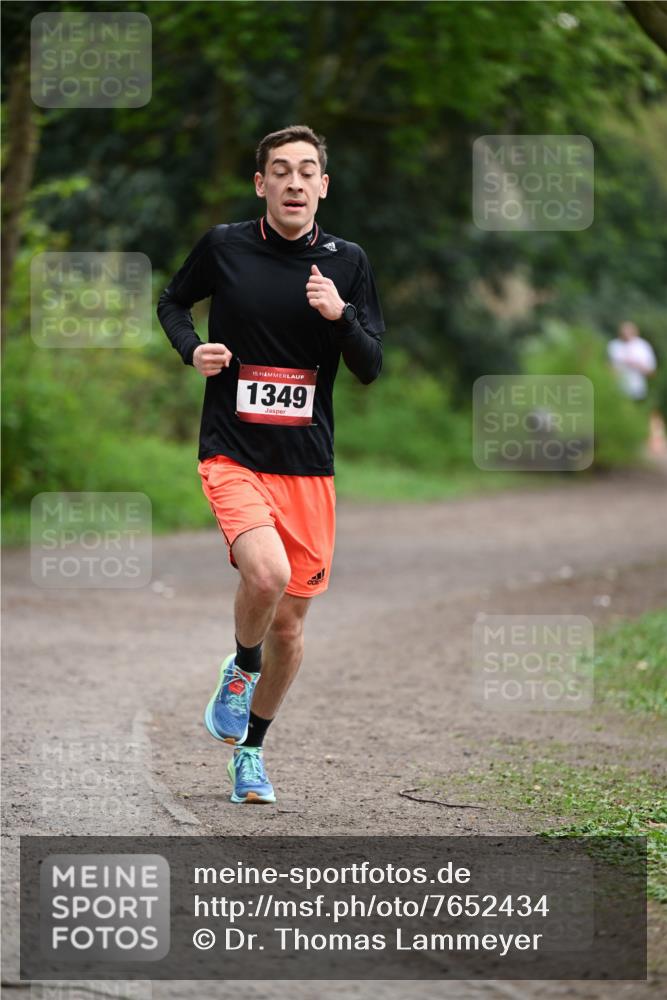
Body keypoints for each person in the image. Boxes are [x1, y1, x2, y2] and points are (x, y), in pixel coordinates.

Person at [156, 125, 384, 803]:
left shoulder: (348, 262)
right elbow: (171, 301)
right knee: (267, 574)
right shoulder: (225, 246)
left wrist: (340, 316)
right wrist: (191, 350)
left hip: (308, 465)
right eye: (279, 171)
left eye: (305, 170)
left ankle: (250, 752)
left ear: (322, 185)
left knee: (291, 623)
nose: (292, 182)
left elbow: (369, 365)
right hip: (233, 449)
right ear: (261, 184)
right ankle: (241, 666)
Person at [607, 320, 657, 401]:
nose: (626, 334)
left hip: (636, 391)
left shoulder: (643, 346)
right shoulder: (613, 345)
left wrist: (637, 365)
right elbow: (606, 366)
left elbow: (652, 372)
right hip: (616, 389)